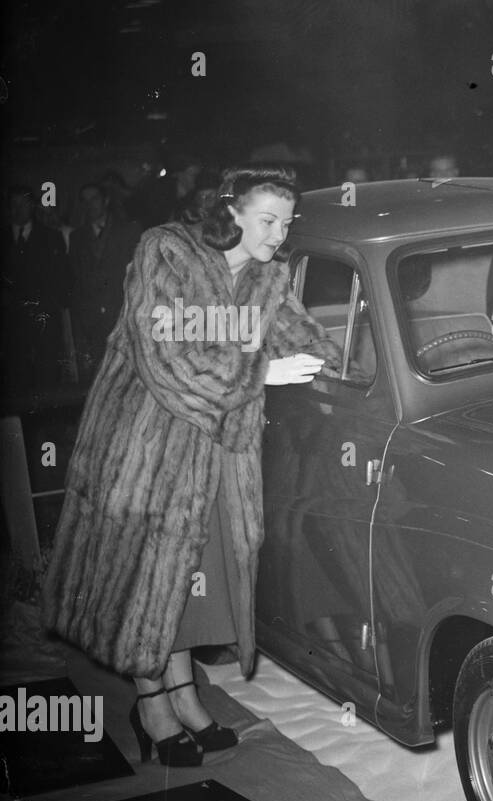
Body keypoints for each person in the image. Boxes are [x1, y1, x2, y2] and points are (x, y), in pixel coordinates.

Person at [41, 166, 341, 767]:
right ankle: (152, 701)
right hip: (142, 445)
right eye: (268, 219)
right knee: (142, 581)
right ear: (231, 210)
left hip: (211, 457)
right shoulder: (166, 250)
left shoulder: (267, 275)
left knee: (182, 578)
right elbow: (166, 357)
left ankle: (181, 689)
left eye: (287, 222)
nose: (279, 233)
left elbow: (301, 338)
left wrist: (336, 356)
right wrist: (258, 373)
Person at [69, 182, 142, 380]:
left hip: (122, 315)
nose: (90, 205)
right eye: (85, 201)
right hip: (93, 321)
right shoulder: (77, 237)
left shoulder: (129, 231)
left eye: (95, 199)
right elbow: (77, 281)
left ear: (106, 201)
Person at [3, 185, 71, 391]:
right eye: (13, 205)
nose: (18, 209)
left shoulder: (51, 237)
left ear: (32, 206)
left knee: (47, 377)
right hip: (10, 325)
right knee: (15, 378)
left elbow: (63, 277)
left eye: (23, 204)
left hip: (45, 322)